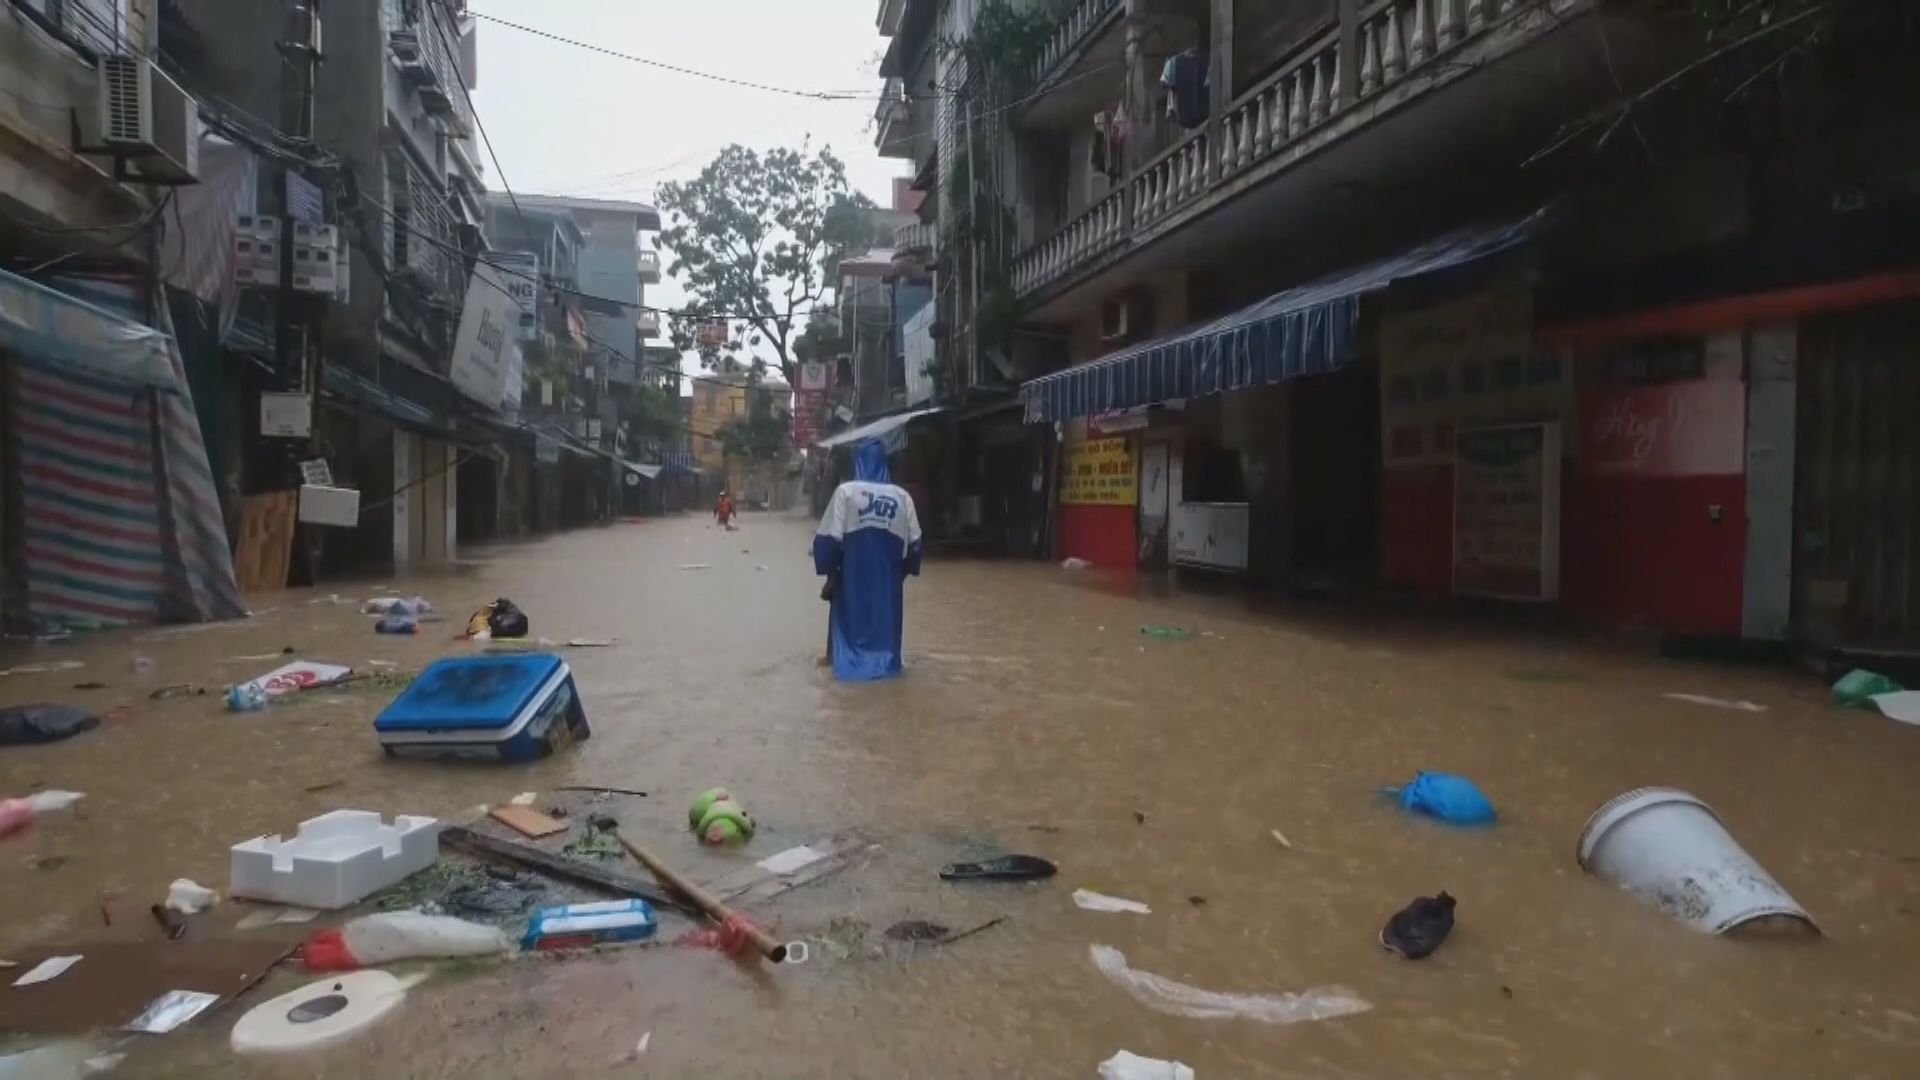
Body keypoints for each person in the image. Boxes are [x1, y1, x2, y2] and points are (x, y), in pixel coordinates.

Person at [813, 439, 922, 681]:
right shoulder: (902, 497)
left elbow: (829, 540)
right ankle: (887, 670)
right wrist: (899, 576)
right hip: (887, 588)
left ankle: (840, 668)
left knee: (843, 637)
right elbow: (915, 546)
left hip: (850, 581)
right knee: (886, 644)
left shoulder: (845, 492)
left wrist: (831, 576)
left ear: (858, 462)